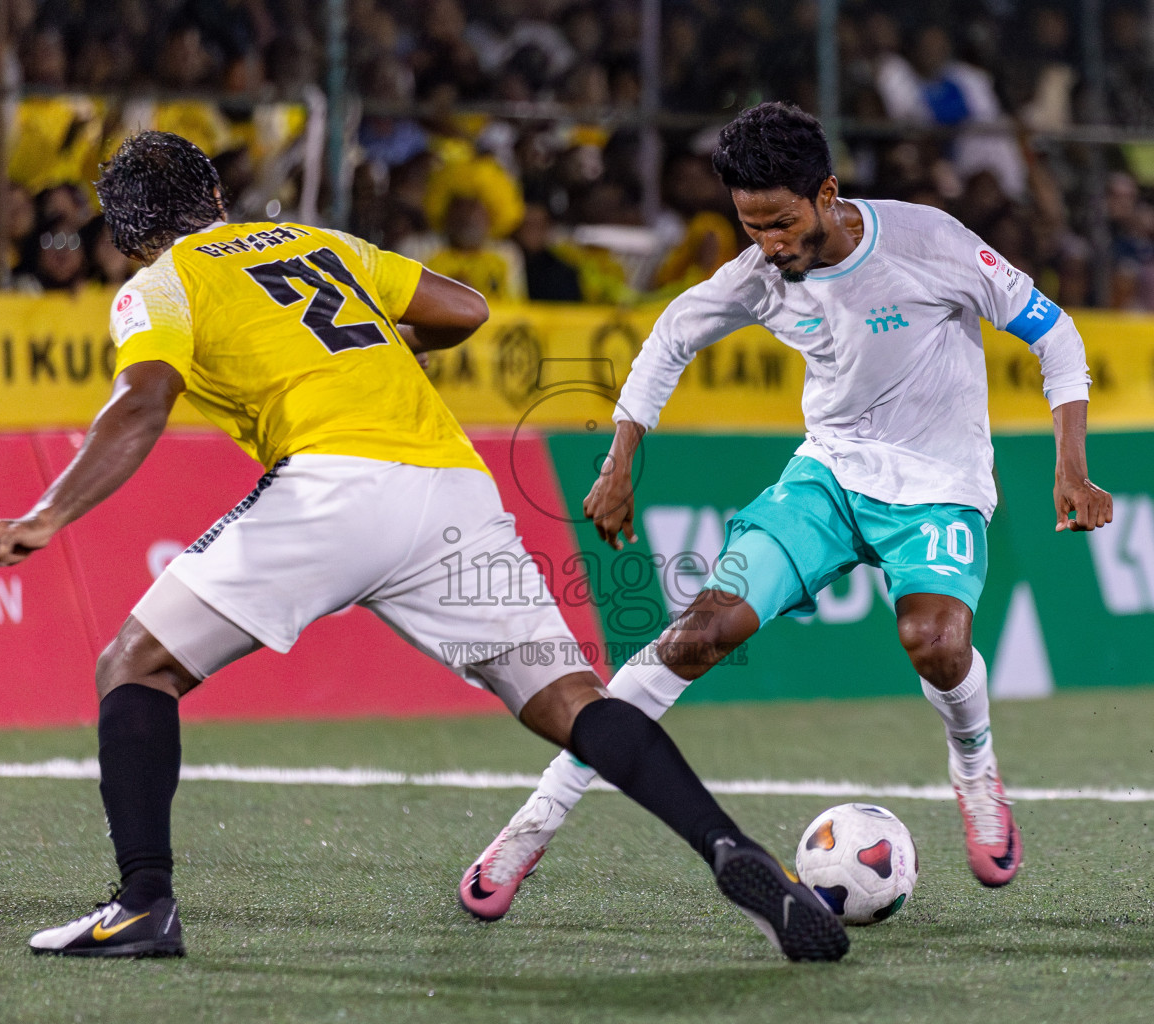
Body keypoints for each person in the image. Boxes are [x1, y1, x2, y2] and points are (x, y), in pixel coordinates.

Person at [0, 131, 847, 964]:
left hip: (331, 491)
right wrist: (380, 346)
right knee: (574, 701)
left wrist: (44, 517)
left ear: (127, 232)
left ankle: (144, 903)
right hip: (449, 488)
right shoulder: (311, 241)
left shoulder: (158, 287)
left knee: (134, 667)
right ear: (217, 191)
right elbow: (465, 307)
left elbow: (141, 404)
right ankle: (731, 846)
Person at [460, 103, 1113, 920]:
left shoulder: (928, 242)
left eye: (780, 222)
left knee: (937, 645)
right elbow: (669, 337)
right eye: (751, 225)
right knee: (695, 635)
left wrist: (1072, 468)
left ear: (828, 194)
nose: (768, 244)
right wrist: (621, 456)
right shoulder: (759, 275)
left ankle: (975, 768)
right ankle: (531, 827)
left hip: (938, 484)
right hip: (826, 481)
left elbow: (1053, 333)